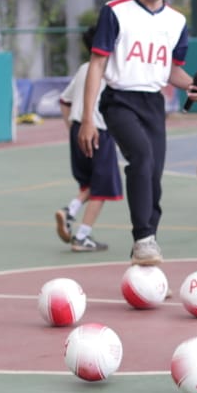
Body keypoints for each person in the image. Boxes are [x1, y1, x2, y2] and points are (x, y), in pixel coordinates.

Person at [79, 0, 197, 266]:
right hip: (119, 100)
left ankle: (146, 252)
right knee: (142, 158)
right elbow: (96, 64)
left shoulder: (177, 21)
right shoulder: (115, 11)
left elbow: (171, 70)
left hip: (153, 103)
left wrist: (189, 85)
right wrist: (87, 119)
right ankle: (144, 237)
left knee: (154, 180)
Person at [56, 25, 122, 251]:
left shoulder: (85, 68)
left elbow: (64, 101)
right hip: (98, 132)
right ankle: (82, 236)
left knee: (91, 183)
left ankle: (70, 211)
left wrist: (73, 129)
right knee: (102, 189)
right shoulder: (112, 70)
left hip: (79, 129)